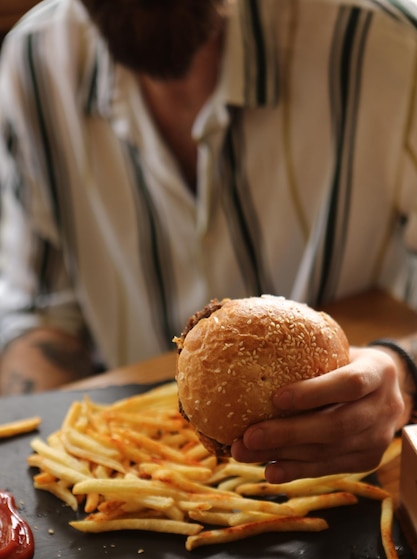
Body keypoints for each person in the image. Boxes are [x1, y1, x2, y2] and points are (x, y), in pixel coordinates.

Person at [0, 0, 417, 482]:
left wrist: (403, 374)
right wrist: (32, 474)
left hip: (363, 479)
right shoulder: (33, 66)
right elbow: (41, 314)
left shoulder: (389, 50)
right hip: (139, 479)